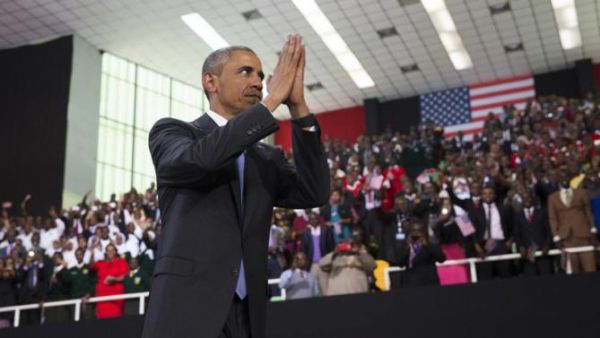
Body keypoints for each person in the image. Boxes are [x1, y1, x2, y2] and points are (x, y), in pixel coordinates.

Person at [142, 34, 329, 338]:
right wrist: (269, 104)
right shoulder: (174, 132)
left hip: (247, 313)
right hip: (186, 309)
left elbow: (314, 191)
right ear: (210, 82)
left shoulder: (267, 157)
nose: (257, 81)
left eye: (259, 74)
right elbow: (200, 161)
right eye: (245, 72)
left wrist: (299, 108)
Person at [548, 172, 598, 273]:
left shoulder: (581, 193)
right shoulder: (552, 197)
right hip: (566, 239)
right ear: (558, 180)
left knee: (590, 269)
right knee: (572, 272)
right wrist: (556, 237)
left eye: (566, 176)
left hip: (583, 236)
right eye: (561, 177)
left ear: (570, 178)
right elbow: (552, 218)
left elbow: (589, 213)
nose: (564, 179)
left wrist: (593, 230)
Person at [513, 191, 553, 276]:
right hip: (527, 255)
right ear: (521, 200)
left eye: (528, 197)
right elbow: (516, 234)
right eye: (524, 198)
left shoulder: (542, 212)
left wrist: (547, 245)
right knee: (531, 282)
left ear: (533, 199)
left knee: (547, 280)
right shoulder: (517, 216)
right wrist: (520, 246)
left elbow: (549, 230)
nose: (526, 200)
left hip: (543, 253)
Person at [396, 222, 446, 287]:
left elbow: (441, 259)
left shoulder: (430, 245)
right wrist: (407, 248)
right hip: (411, 284)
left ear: (423, 232)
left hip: (430, 283)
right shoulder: (405, 246)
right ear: (409, 232)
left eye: (419, 231)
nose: (416, 233)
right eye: (413, 230)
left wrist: (427, 245)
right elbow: (400, 264)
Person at [298, 211, 335, 293]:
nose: (313, 221)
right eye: (311, 219)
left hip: (323, 263)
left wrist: (330, 262)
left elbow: (331, 247)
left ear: (318, 219)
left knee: (325, 288)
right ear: (309, 221)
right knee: (312, 288)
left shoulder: (326, 231)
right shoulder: (305, 233)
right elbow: (303, 250)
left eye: (315, 219)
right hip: (312, 264)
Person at [90, 244, 129, 319]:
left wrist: (114, 279)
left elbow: (125, 276)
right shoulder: (101, 263)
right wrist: (92, 254)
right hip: (102, 300)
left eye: (112, 250)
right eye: (108, 250)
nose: (110, 252)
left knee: (115, 322)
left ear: (115, 252)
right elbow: (91, 266)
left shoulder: (121, 262)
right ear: (106, 252)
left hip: (115, 300)